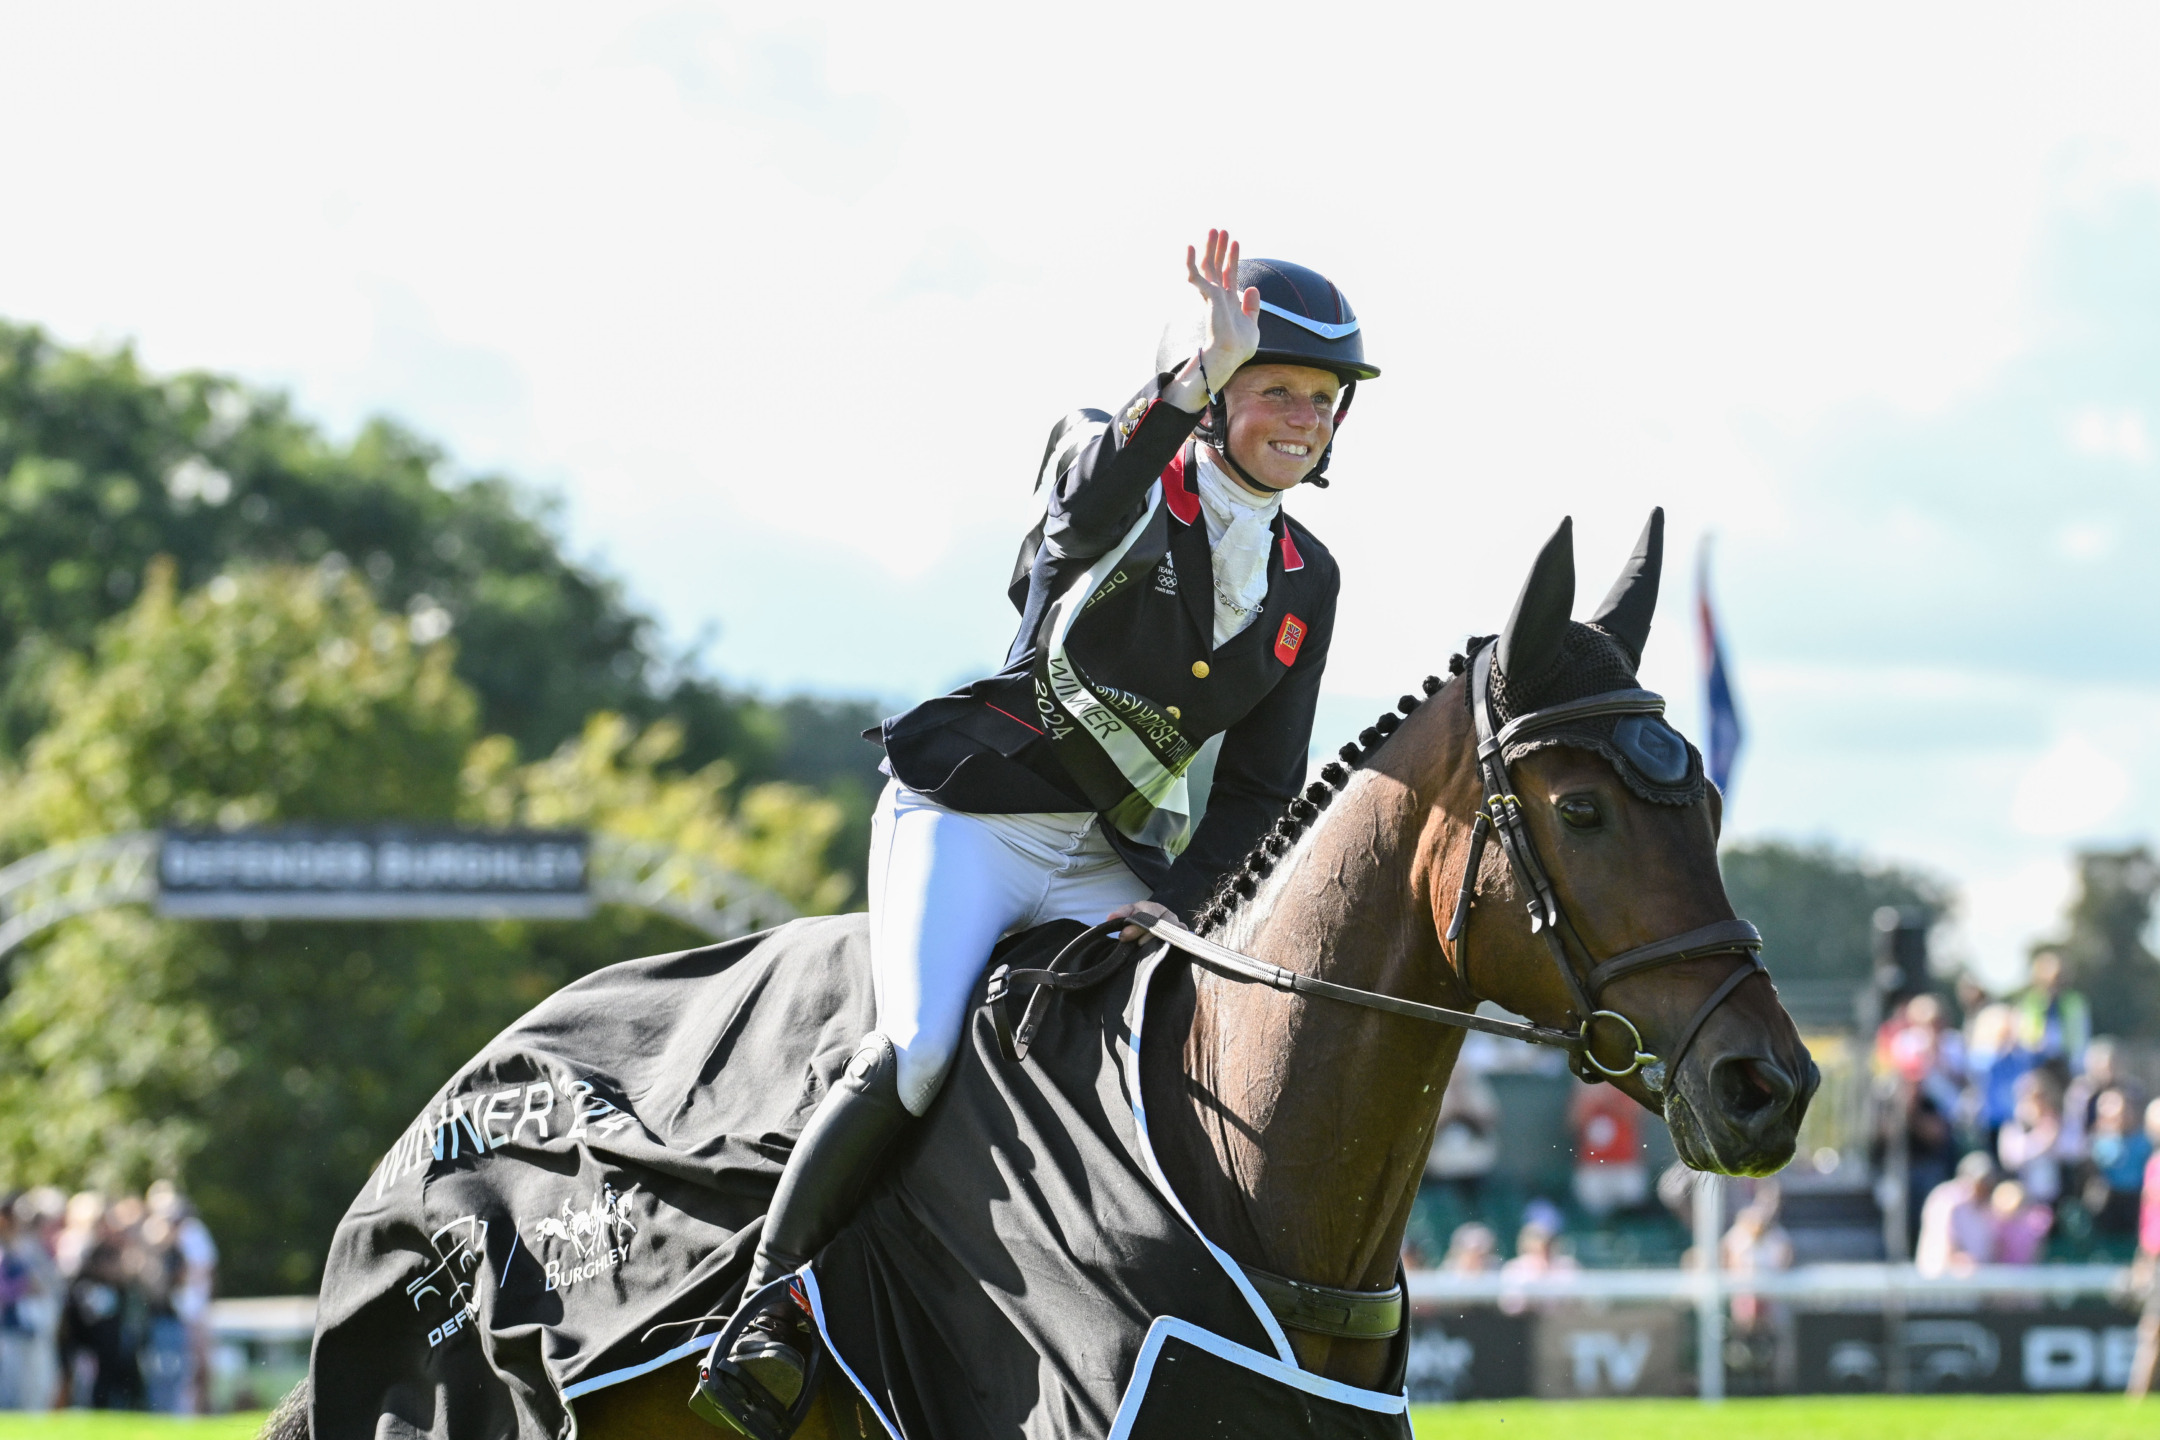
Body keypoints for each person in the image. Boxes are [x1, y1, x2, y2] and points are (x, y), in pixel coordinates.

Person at [705, 230, 1381, 1423]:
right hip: (973, 818)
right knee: (918, 1049)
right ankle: (762, 1306)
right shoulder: (1109, 460)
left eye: (1323, 401)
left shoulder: (1307, 577)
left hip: (1111, 861)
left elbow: (1260, 792)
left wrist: (1178, 911)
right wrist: (1182, 383)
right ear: (1219, 393)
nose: (1304, 417)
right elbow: (1081, 519)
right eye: (1278, 387)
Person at [2126, 1097, 2160, 1400]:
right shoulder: (2154, 1164)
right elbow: (2149, 1218)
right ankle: (2137, 1397)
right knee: (2152, 1329)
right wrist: (2143, 1257)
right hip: (2157, 1256)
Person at [1915, 1152, 1998, 1276]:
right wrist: (1959, 1259)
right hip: (1941, 1280)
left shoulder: (1986, 1206)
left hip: (1973, 1282)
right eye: (1981, 1181)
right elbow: (1943, 1240)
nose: (1984, 1186)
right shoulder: (1947, 1198)